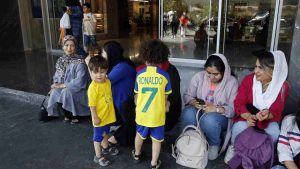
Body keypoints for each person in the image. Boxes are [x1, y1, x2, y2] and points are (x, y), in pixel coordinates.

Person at [107, 40, 182, 147]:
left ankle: (120, 137)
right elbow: (137, 92)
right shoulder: (146, 71)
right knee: (127, 105)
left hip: (166, 111)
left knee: (141, 115)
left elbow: (172, 99)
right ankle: (140, 132)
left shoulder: (170, 72)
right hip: (149, 105)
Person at [226, 51, 289, 163]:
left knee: (274, 132)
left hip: (268, 119)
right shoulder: (249, 80)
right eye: (255, 67)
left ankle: (263, 154)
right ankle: (234, 148)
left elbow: (278, 110)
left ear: (273, 69)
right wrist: (249, 116)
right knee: (239, 128)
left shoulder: (282, 86)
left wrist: (267, 114)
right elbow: (239, 103)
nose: (255, 71)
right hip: (247, 115)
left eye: (260, 68)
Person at [180, 54, 238, 160]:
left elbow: (233, 110)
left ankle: (214, 144)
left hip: (219, 117)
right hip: (200, 110)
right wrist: (193, 102)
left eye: (215, 74)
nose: (211, 77)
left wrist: (215, 109)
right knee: (188, 113)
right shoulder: (199, 77)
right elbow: (187, 95)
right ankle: (190, 139)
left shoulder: (232, 82)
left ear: (224, 72)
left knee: (209, 119)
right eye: (208, 73)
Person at [132, 39, 172, 169]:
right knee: (156, 140)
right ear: (162, 57)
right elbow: (165, 99)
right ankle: (154, 163)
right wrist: (166, 105)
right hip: (157, 116)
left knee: (139, 135)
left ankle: (137, 154)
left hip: (142, 114)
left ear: (145, 57)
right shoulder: (165, 76)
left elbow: (137, 97)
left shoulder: (139, 74)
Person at [47, 35, 90, 123]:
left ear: (75, 47)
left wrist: (63, 85)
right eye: (66, 45)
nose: (69, 48)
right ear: (63, 46)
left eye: (72, 45)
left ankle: (75, 115)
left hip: (79, 90)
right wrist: (55, 84)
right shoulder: (60, 61)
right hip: (65, 88)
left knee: (66, 91)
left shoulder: (80, 62)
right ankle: (67, 114)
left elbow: (80, 81)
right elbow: (57, 76)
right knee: (55, 92)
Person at [87, 56, 118, 167]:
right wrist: (94, 117)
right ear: (91, 73)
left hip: (107, 115)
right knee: (98, 137)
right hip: (99, 118)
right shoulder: (93, 88)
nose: (99, 75)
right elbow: (92, 105)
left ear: (106, 71)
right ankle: (98, 156)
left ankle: (105, 147)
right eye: (95, 72)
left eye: (102, 72)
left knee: (105, 132)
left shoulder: (107, 82)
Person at [101, 41, 136, 123]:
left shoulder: (122, 67)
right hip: (120, 104)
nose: (101, 55)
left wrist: (88, 62)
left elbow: (102, 81)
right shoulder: (120, 64)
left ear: (110, 54)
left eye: (103, 52)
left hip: (125, 105)